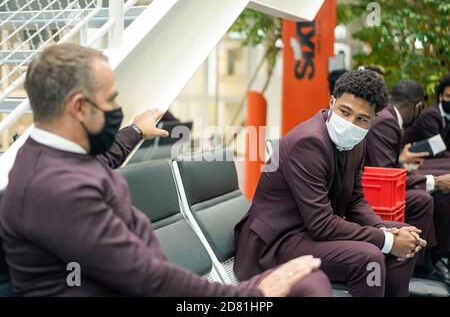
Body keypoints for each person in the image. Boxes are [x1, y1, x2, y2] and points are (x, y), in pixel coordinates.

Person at [0, 43, 332, 297]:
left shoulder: (58, 157)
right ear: (79, 107)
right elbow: (148, 279)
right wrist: (248, 295)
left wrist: (136, 131)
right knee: (305, 284)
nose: (117, 109)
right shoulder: (57, 189)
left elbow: (103, 160)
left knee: (308, 278)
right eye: (111, 100)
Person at [234, 70, 427, 297]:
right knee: (369, 257)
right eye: (345, 112)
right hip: (277, 242)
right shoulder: (309, 143)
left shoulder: (356, 141)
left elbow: (355, 200)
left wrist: (384, 230)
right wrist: (386, 240)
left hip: (308, 232)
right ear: (332, 101)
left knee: (406, 235)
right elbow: (321, 224)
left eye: (362, 119)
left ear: (373, 120)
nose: (350, 123)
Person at [365, 80, 450, 285]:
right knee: (423, 198)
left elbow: (390, 166)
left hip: (378, 181)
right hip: (373, 189)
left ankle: (430, 257)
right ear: (418, 106)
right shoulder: (387, 121)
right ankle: (422, 262)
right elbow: (386, 172)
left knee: (429, 188)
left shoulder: (387, 116)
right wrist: (434, 182)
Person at [402, 73, 450, 164]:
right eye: (448, 96)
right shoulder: (430, 115)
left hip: (427, 159)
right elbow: (437, 148)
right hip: (407, 159)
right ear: (440, 96)